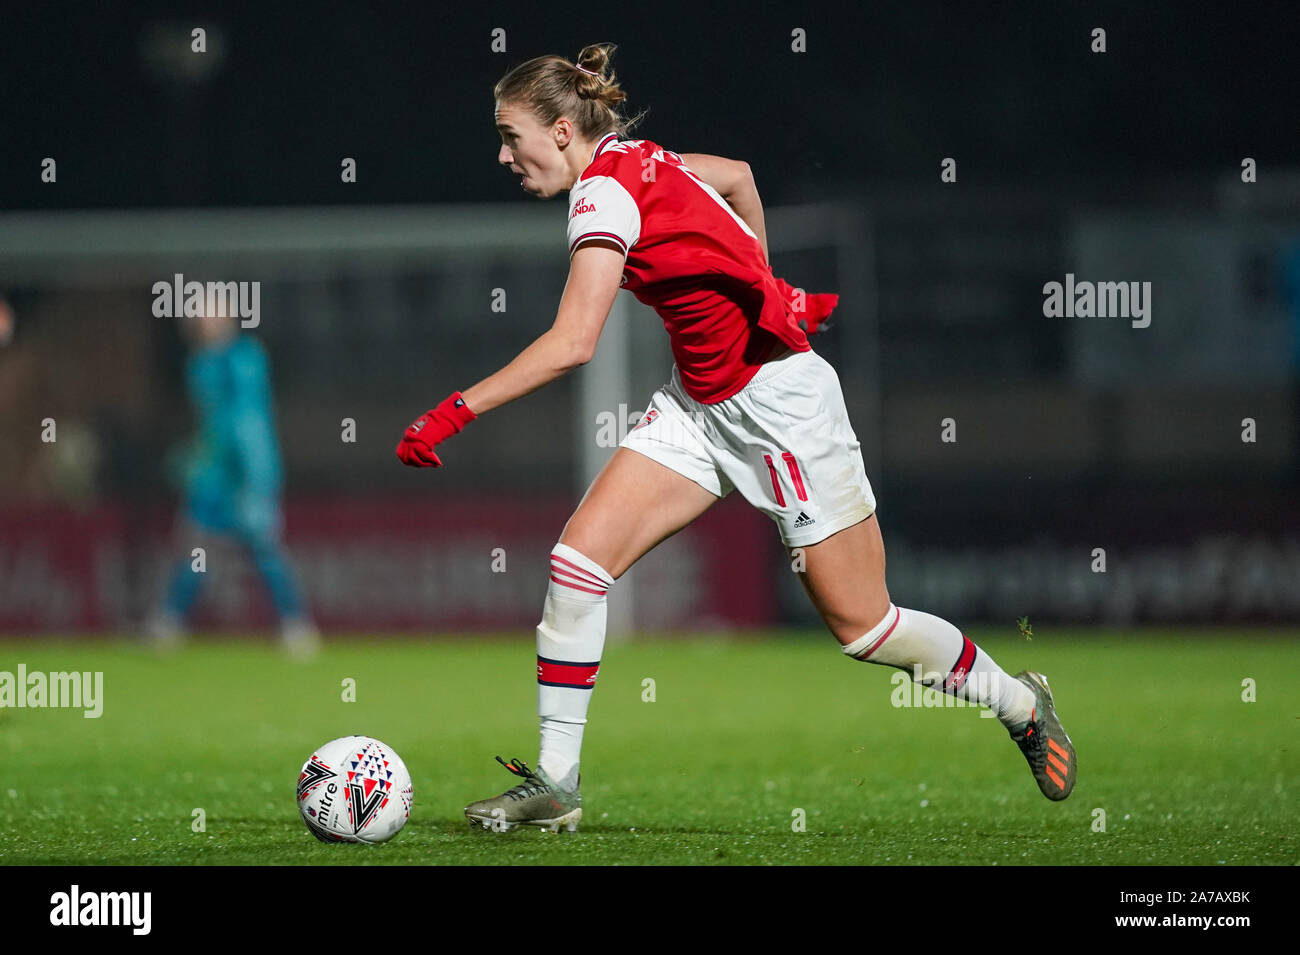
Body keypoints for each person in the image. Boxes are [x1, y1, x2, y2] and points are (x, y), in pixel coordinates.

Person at [396, 43, 1076, 832]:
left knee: (865, 627)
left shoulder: (600, 197)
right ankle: (555, 780)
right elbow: (741, 175)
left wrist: (452, 411)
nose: (504, 155)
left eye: (512, 137)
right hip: (699, 407)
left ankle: (1019, 700)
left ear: (558, 130)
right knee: (577, 565)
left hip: (782, 410)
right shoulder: (637, 157)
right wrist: (763, 282)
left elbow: (574, 341)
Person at [148, 310, 320, 658]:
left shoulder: (243, 358)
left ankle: (295, 626)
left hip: (247, 472)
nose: (205, 323)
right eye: (200, 318)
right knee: (195, 549)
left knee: (263, 548)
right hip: (213, 476)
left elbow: (246, 421)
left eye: (211, 316)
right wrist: (197, 457)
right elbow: (210, 425)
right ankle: (170, 622)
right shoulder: (199, 365)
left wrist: (254, 476)